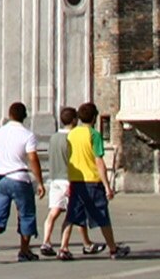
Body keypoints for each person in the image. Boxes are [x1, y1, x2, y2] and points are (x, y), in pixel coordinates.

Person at [65, 102, 128, 258]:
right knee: (102, 215)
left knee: (72, 216)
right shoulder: (93, 135)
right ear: (94, 118)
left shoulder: (71, 134)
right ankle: (113, 249)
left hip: (75, 179)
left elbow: (69, 158)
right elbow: (99, 161)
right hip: (92, 180)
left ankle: (63, 247)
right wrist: (107, 186)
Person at [0, 101, 43, 263]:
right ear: (24, 116)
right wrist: (40, 182)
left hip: (2, 179)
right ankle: (24, 250)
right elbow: (33, 159)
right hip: (19, 178)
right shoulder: (27, 135)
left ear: (9, 115)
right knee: (26, 214)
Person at [38, 105, 78, 258]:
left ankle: (46, 241)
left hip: (54, 179)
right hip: (68, 179)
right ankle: (64, 247)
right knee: (70, 215)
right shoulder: (72, 138)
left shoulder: (53, 137)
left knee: (53, 212)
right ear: (74, 120)